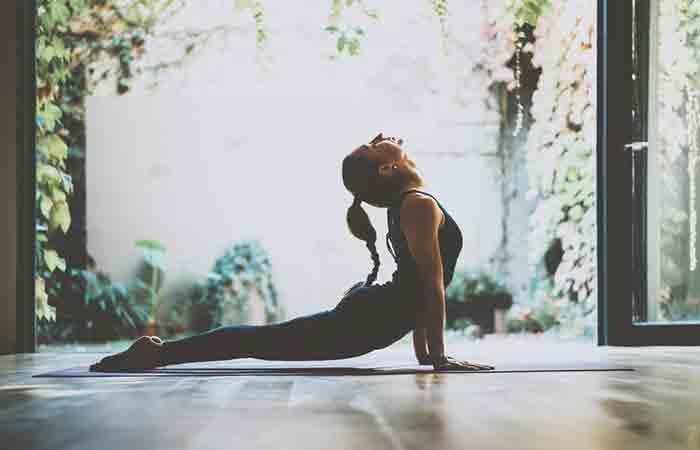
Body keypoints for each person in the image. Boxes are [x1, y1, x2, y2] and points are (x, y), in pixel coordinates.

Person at [89, 133, 494, 372]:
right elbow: (429, 283)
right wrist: (436, 357)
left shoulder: (410, 203)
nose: (383, 138)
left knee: (262, 341)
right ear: (386, 169)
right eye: (374, 145)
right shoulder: (416, 204)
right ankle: (157, 352)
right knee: (256, 341)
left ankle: (158, 353)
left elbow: (422, 285)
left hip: (373, 318)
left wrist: (427, 354)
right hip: (367, 321)